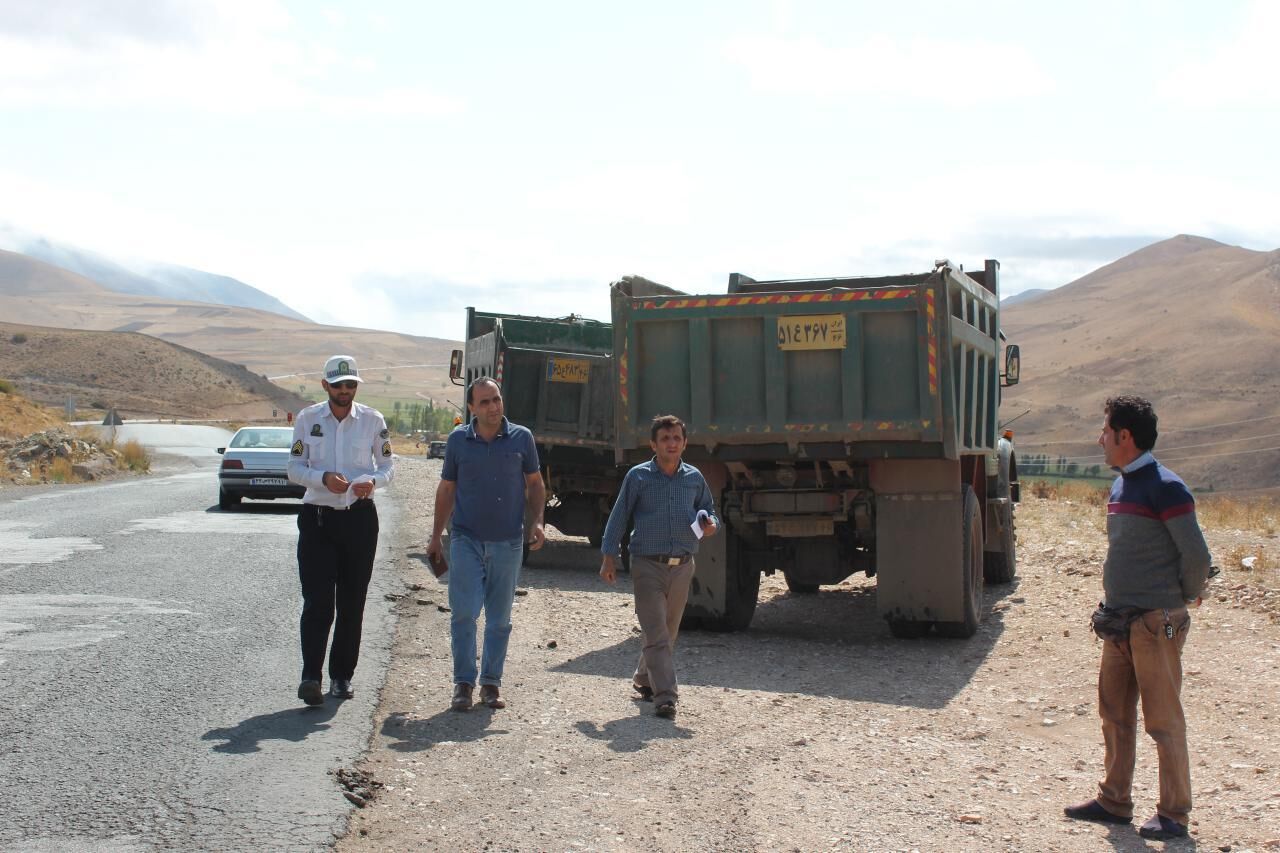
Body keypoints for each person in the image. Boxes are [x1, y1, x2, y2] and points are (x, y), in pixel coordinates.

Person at [1064, 395, 1212, 841]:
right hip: (1118, 622)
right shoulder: (1121, 485)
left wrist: (1180, 599)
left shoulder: (1167, 488)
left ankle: (1174, 814)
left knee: (1163, 720)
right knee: (1114, 713)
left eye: (1106, 431)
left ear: (1125, 436)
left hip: (1156, 623)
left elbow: (1197, 558)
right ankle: (1114, 801)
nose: (1100, 439)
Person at [427, 377, 545, 712]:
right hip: (465, 538)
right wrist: (436, 536)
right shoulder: (458, 441)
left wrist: (537, 521)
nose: (493, 407)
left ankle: (491, 684)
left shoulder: (522, 439)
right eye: (485, 402)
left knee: (499, 619)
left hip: (508, 542)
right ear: (471, 408)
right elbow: (447, 489)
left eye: (496, 400)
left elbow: (535, 484)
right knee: (464, 613)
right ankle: (463, 683)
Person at [287, 355, 394, 706]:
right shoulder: (307, 419)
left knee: (352, 602)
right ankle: (310, 677)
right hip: (317, 519)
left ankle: (342, 677)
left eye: (350, 385)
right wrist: (322, 479)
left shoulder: (372, 420)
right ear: (325, 386)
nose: (344, 391)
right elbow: (294, 468)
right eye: (338, 386)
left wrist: (372, 482)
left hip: (359, 519)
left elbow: (388, 465)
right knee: (318, 602)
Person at [599, 414, 718, 719]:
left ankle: (643, 678)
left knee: (668, 630)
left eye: (677, 438)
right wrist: (608, 556)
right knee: (655, 631)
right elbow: (619, 515)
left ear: (684, 443)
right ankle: (665, 696)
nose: (671, 443)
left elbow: (708, 509)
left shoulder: (694, 477)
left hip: (682, 566)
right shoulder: (638, 477)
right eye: (665, 439)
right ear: (653, 444)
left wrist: (709, 524)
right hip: (647, 565)